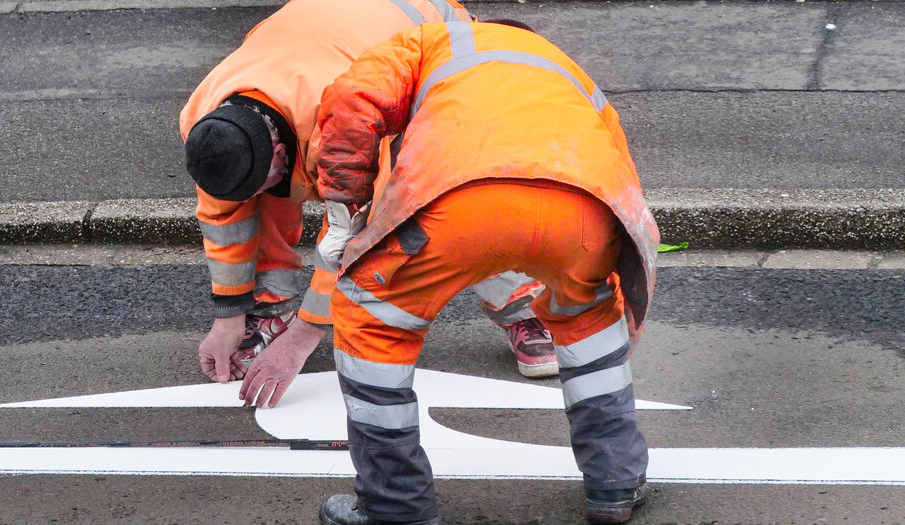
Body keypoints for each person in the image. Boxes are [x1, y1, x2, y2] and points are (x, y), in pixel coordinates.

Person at [296, 18, 660, 525]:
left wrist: (349, 207)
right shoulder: (563, 68)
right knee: (591, 324)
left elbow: (353, 100)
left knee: (372, 326)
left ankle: (395, 506)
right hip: (582, 208)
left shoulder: (431, 41)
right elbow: (619, 169)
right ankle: (615, 484)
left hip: (461, 199)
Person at [180, 0, 560, 392]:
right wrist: (229, 314)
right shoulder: (207, 120)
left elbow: (352, 236)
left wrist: (300, 340)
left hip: (437, 46)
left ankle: (523, 309)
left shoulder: (343, 128)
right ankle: (269, 306)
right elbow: (226, 219)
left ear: (279, 152)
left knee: (452, 191)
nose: (247, 198)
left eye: (255, 185)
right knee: (268, 195)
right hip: (343, 36)